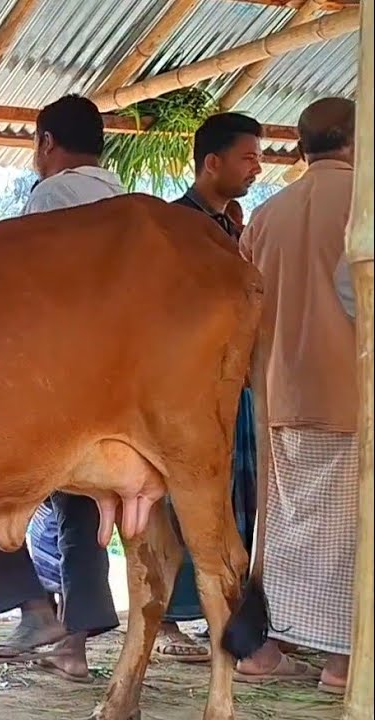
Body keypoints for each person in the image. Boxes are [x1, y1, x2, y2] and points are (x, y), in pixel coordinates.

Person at [0, 94, 124, 683]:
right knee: (84, 518)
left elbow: (23, 292)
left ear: (46, 143)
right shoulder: (125, 201)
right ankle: (73, 649)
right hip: (108, 384)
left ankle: (31, 608)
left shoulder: (51, 196)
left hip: (47, 380)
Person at [235, 97, 358, 695]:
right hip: (353, 395)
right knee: (352, 531)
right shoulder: (364, 200)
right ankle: (343, 663)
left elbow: (243, 305)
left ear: (302, 145)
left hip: (279, 395)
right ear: (357, 142)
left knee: (282, 529)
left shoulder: (266, 214)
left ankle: (264, 648)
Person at [158, 112, 264, 662]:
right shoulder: (175, 226)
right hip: (185, 388)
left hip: (233, 382)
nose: (257, 167)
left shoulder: (235, 227)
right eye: (247, 157)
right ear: (212, 162)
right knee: (185, 498)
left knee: (233, 496)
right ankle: (170, 620)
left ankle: (221, 610)